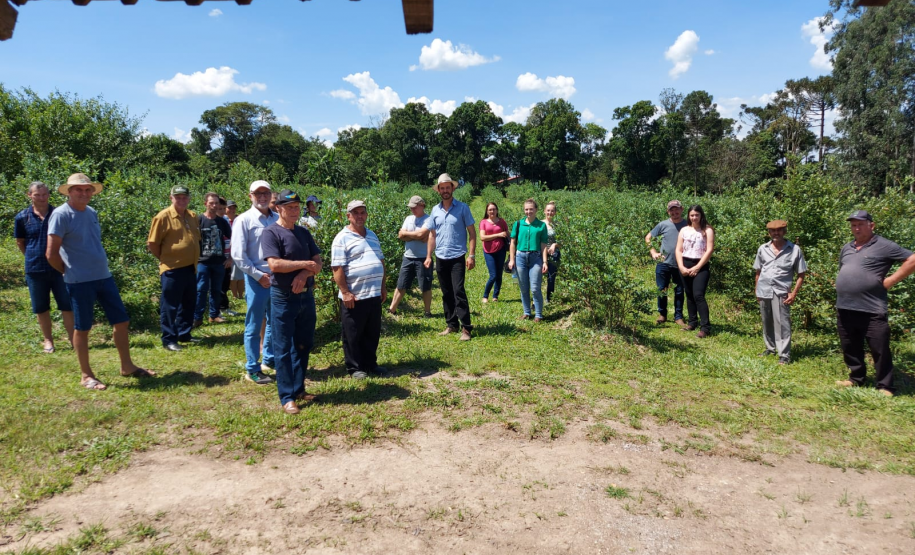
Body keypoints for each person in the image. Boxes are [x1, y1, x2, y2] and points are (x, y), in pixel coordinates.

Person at [46, 173, 154, 390]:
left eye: (88, 190)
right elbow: (51, 253)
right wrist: (69, 272)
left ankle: (127, 366)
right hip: (79, 281)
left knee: (121, 321)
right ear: (69, 191)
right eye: (78, 189)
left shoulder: (91, 212)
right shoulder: (60, 215)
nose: (84, 193)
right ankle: (86, 375)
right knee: (83, 327)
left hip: (104, 276)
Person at [834, 210, 915, 397]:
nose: (856, 228)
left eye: (860, 224)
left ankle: (885, 386)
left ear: (872, 225)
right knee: (850, 345)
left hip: (872, 308)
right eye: (853, 225)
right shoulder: (847, 247)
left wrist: (890, 281)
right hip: (845, 306)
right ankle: (856, 378)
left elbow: (912, 259)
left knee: (879, 348)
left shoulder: (884, 245)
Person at [262, 189, 323, 414]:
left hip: (306, 296)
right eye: (289, 207)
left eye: (297, 207)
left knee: (303, 345)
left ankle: (299, 389)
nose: (294, 211)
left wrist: (304, 274)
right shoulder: (271, 233)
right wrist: (304, 266)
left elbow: (318, 262)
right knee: (283, 348)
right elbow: (274, 265)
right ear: (278, 208)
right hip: (283, 298)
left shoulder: (303, 232)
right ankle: (286, 396)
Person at [14, 181, 75, 353]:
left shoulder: (59, 214)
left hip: (60, 267)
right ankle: (48, 341)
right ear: (29, 195)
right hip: (35, 269)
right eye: (37, 195)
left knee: (67, 304)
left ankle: (73, 339)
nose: (41, 198)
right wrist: (31, 256)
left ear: (49, 195)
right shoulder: (22, 217)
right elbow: (20, 242)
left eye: (44, 194)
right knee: (41, 307)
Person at [331, 200, 388, 379]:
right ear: (348, 216)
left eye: (362, 212)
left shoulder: (371, 235)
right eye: (355, 213)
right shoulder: (342, 238)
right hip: (354, 295)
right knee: (353, 333)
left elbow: (380, 261)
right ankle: (355, 368)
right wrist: (345, 292)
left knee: (372, 331)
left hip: (373, 293)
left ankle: (370, 364)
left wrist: (383, 286)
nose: (360, 216)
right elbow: (337, 268)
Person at [231, 180, 279, 385]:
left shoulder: (277, 218)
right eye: (257, 193)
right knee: (254, 322)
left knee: (275, 320)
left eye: (265, 193)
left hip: (277, 278)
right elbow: (238, 255)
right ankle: (252, 367)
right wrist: (259, 275)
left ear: (270, 195)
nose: (262, 197)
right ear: (250, 196)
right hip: (256, 279)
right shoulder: (244, 220)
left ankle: (269, 358)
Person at [418, 173, 476, 341]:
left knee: (458, 291)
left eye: (447, 187)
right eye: (442, 188)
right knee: (446, 292)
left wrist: (471, 255)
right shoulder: (435, 210)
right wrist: (428, 255)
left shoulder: (463, 208)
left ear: (452, 188)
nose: (445, 191)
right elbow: (432, 236)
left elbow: (472, 233)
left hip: (458, 256)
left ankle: (466, 327)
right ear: (439, 191)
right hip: (440, 257)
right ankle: (451, 324)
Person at [147, 185, 201, 352]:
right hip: (172, 268)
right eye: (178, 197)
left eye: (184, 197)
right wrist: (166, 259)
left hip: (190, 267)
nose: (181, 200)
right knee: (170, 306)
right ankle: (169, 339)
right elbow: (152, 243)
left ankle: (184, 333)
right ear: (171, 198)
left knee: (188, 303)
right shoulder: (163, 217)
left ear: (189, 198)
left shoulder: (192, 216)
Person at [753, 220, 807, 365]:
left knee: (782, 323)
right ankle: (770, 348)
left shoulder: (794, 250)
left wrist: (793, 293)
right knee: (767, 320)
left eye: (779, 230)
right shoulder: (762, 248)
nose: (776, 233)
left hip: (782, 291)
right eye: (773, 231)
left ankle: (784, 354)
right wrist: (756, 289)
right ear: (769, 233)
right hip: (764, 289)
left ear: (785, 231)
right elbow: (758, 271)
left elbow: (801, 274)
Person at [388, 195, 434, 317]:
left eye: (414, 207)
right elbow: (401, 235)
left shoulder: (429, 220)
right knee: (401, 284)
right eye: (411, 207)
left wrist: (408, 235)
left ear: (422, 206)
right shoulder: (408, 218)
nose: (412, 210)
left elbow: (420, 234)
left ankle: (427, 312)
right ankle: (392, 309)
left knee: (425, 286)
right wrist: (418, 236)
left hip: (423, 257)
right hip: (408, 257)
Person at [193, 192, 233, 327]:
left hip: (219, 262)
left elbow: (234, 238)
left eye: (216, 203)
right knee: (201, 289)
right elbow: (191, 240)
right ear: (205, 204)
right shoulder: (198, 220)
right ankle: (197, 317)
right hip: (202, 261)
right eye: (211, 203)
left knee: (217, 290)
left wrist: (231, 258)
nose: (214, 205)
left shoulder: (222, 221)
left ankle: (214, 315)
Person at [675, 204, 715, 338]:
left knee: (698, 295)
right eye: (692, 215)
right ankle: (692, 322)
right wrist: (681, 266)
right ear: (688, 216)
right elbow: (678, 249)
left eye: (697, 215)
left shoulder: (707, 230)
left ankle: (705, 327)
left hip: (701, 265)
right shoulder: (684, 230)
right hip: (685, 263)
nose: (694, 217)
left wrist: (697, 267)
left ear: (701, 215)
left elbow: (709, 250)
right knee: (689, 294)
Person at [645, 200, 687, 326]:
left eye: (677, 209)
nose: (675, 212)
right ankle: (662, 314)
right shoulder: (663, 225)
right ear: (668, 211)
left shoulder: (688, 225)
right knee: (661, 289)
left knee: (679, 290)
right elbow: (648, 238)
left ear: (682, 209)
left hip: (681, 263)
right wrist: (653, 252)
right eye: (672, 210)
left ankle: (678, 317)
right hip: (663, 263)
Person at [508, 198, 549, 322]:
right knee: (524, 287)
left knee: (535, 287)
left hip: (535, 258)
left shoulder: (541, 226)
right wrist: (511, 259)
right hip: (520, 257)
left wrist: (545, 261)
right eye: (526, 209)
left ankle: (538, 314)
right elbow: (513, 242)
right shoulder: (518, 224)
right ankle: (526, 312)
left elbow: (543, 245)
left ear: (536, 210)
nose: (528, 211)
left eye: (531, 209)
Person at [479, 201, 509, 304]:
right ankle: (485, 295)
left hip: (500, 250)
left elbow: (507, 233)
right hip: (488, 251)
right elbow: (482, 237)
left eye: (494, 209)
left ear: (497, 210)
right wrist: (498, 234)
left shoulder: (502, 221)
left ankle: (495, 295)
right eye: (490, 209)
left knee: (499, 274)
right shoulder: (483, 222)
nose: (492, 211)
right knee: (493, 275)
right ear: (487, 211)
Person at [543, 201, 561, 304]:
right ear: (544, 211)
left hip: (554, 253)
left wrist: (555, 245)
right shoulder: (540, 224)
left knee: (551, 276)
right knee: (537, 276)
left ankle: (549, 299)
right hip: (541, 253)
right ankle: (536, 300)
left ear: (555, 212)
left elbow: (563, 241)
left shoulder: (558, 225)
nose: (550, 213)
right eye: (548, 210)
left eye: (552, 211)